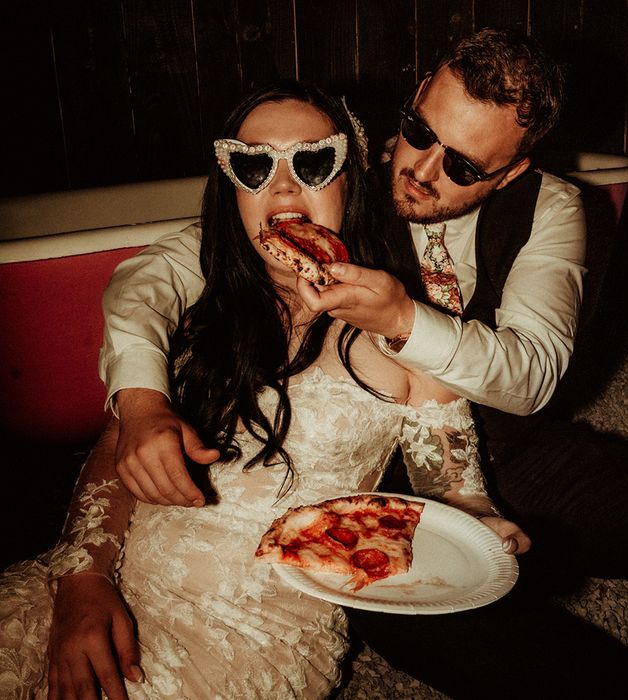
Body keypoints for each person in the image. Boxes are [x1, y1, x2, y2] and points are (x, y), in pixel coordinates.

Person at [91, 29, 628, 698]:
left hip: (506, 440)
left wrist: (404, 320)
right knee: (429, 615)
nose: (421, 170)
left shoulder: (552, 207)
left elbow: (532, 376)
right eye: (420, 132)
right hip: (363, 468)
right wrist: (141, 396)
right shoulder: (341, 169)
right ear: (416, 98)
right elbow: (161, 272)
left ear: (514, 169)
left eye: (465, 168)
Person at [0, 80, 528, 699]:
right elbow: (119, 445)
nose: (281, 187)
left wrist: (486, 530)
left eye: (312, 162)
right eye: (253, 165)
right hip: (93, 585)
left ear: (351, 178)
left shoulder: (408, 333)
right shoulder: (198, 310)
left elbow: (457, 500)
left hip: (247, 635)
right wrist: (82, 581)